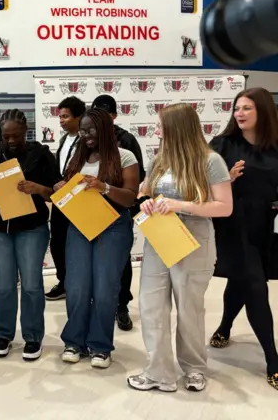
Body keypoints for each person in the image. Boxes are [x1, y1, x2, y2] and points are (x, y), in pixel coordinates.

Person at [127, 103, 232, 393]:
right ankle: (158, 372)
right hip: (160, 237)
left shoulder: (211, 161)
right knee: (151, 307)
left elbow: (224, 207)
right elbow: (144, 189)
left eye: (161, 125)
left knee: (189, 309)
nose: (157, 130)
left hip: (194, 238)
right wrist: (144, 199)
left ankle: (195, 369)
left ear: (177, 127)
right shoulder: (161, 158)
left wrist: (180, 205)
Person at [0, 109, 60, 361]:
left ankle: (33, 336)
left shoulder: (41, 153)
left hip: (31, 229)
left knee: (32, 285)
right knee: (4, 285)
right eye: (6, 136)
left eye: (17, 136)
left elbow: (55, 190)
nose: (11, 141)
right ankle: (4, 334)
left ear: (26, 132)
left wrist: (37, 188)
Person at [208, 87, 278, 391]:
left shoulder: (275, 147)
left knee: (242, 282)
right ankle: (273, 360)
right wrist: (228, 181)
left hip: (267, 227)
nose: (239, 113)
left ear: (263, 111)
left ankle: (224, 327)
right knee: (254, 284)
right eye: (237, 107)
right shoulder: (222, 145)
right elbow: (202, 187)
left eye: (247, 108)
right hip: (233, 227)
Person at [58, 108, 139, 369]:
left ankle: (101, 346)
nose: (86, 135)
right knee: (78, 287)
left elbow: (130, 197)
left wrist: (103, 186)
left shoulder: (124, 156)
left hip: (113, 226)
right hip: (79, 225)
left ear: (104, 128)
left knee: (105, 289)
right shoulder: (78, 156)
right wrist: (62, 187)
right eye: (82, 130)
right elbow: (68, 189)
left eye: (91, 129)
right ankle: (74, 342)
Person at [91, 94, 146, 332]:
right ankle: (99, 303)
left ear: (114, 116)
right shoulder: (86, 141)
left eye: (105, 115)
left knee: (121, 262)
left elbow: (138, 177)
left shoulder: (126, 141)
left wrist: (109, 187)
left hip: (117, 211)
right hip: (89, 211)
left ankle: (121, 306)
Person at [46, 96, 86, 301]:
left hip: (80, 201)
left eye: (65, 116)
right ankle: (64, 282)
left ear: (79, 117)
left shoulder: (87, 140)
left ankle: (80, 285)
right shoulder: (63, 140)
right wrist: (56, 182)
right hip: (62, 200)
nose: (61, 120)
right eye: (59, 116)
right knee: (57, 242)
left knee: (78, 244)